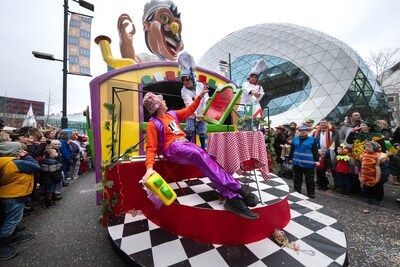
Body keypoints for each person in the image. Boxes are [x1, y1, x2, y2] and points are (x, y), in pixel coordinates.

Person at [141, 89, 259, 220]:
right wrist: (149, 168)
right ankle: (238, 187)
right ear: (157, 106)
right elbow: (151, 148)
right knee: (199, 154)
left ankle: (232, 197)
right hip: (172, 149)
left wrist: (199, 97)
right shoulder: (153, 124)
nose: (164, 101)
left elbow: (189, 110)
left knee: (206, 158)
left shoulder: (172, 114)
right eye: (161, 100)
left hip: (185, 145)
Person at [0, 150, 41, 260]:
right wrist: (28, 157)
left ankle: (13, 236)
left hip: (8, 194)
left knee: (10, 219)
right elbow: (36, 167)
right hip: (15, 196)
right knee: (12, 220)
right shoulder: (15, 163)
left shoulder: (3, 161)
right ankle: (2, 246)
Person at [178, 52, 209, 149]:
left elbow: (206, 98)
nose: (185, 82)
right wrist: (195, 115)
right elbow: (189, 103)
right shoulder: (183, 90)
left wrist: (205, 111)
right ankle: (189, 148)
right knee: (189, 129)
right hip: (191, 113)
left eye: (187, 79)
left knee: (202, 130)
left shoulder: (200, 85)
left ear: (192, 77)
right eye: (183, 80)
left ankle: (203, 148)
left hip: (202, 112)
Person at [289, 123, 319, 198]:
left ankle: (311, 193)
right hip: (296, 163)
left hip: (309, 164)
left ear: (308, 131)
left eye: (305, 130)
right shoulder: (295, 139)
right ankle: (297, 191)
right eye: (301, 130)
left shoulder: (312, 140)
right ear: (299, 131)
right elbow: (292, 150)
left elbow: (315, 151)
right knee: (297, 179)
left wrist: (317, 160)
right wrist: (290, 158)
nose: (303, 131)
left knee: (309, 179)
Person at [359, 141, 390, 206]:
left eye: (369, 147)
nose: (367, 148)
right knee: (366, 188)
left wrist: (383, 177)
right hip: (366, 176)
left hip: (376, 177)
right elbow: (361, 165)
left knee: (378, 189)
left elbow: (385, 168)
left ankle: (378, 200)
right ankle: (368, 198)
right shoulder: (363, 155)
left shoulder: (381, 157)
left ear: (375, 147)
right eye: (366, 146)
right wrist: (360, 174)